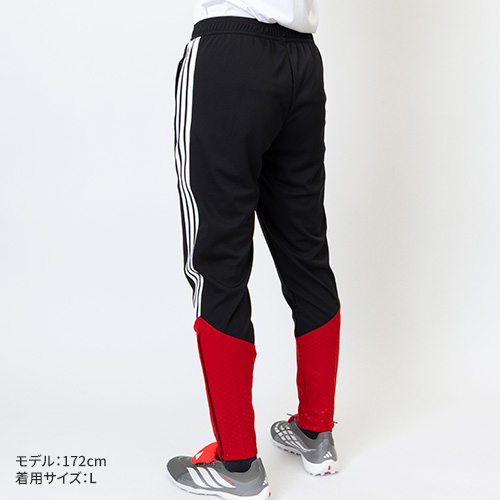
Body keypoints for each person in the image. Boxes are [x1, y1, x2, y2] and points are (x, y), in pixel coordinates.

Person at [166, 1, 341, 498]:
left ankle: (237, 463)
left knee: (216, 261)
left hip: (229, 54)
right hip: (302, 62)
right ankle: (316, 430)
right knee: (307, 251)